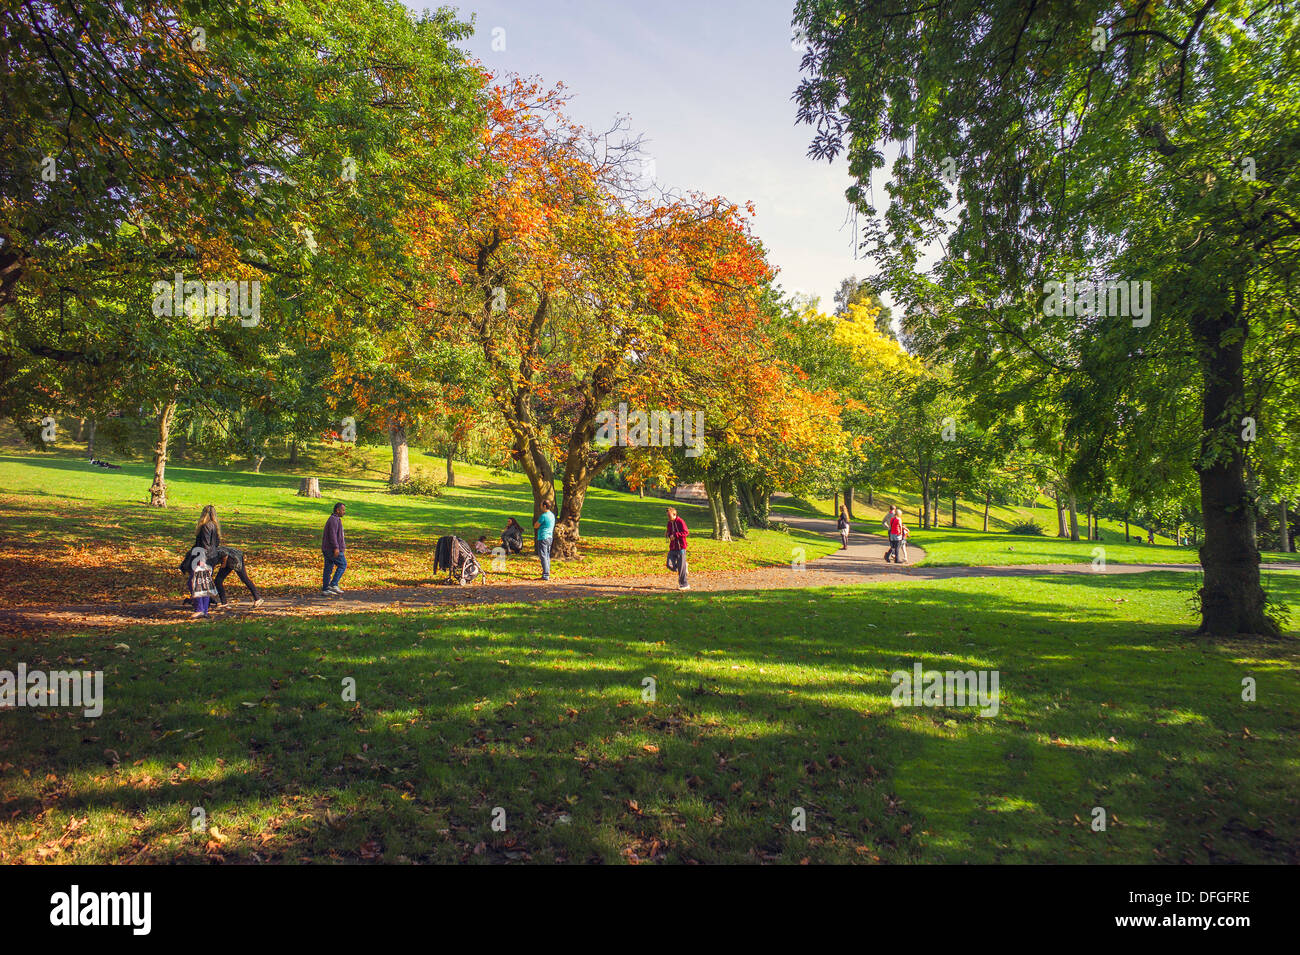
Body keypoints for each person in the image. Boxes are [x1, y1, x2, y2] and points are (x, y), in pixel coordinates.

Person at [189, 504, 263, 609]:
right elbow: (216, 544)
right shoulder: (215, 527)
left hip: (234, 558)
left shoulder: (206, 527)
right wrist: (223, 563)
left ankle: (257, 598)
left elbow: (208, 546)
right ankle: (224, 603)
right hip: (225, 559)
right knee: (218, 581)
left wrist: (210, 560)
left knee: (243, 578)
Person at [322, 502, 347, 596]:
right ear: (337, 510)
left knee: (328, 568)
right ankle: (333, 584)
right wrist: (336, 548)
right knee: (343, 564)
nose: (344, 512)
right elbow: (332, 535)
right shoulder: (334, 520)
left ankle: (325, 589)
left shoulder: (335, 519)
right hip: (332, 549)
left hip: (327, 548)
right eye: (343, 510)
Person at [666, 506, 690, 590]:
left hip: (681, 548)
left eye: (669, 516)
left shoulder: (680, 522)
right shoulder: (669, 523)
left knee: (681, 569)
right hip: (672, 548)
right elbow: (669, 532)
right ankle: (683, 566)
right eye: (667, 516)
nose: (668, 518)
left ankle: (684, 585)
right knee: (669, 564)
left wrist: (676, 535)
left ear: (674, 514)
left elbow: (686, 532)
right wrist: (669, 535)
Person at [188, 550, 215, 619]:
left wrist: (201, 560)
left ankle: (200, 609)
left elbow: (206, 543)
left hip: (202, 558)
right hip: (207, 557)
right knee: (204, 583)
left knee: (195, 583)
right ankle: (204, 610)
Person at [533, 504, 555, 581]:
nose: (540, 507)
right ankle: (547, 572)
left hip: (543, 537)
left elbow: (536, 525)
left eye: (542, 505)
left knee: (543, 555)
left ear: (545, 506)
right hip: (549, 537)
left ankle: (546, 574)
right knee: (547, 555)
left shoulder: (544, 516)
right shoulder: (552, 515)